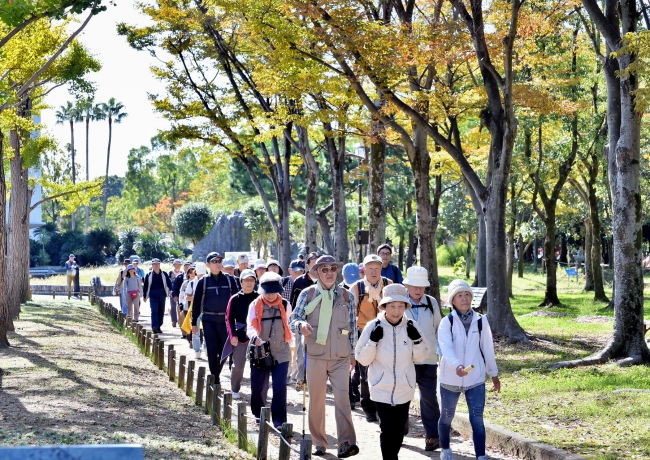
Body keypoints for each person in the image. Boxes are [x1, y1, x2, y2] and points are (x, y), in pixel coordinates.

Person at [289, 255, 359, 458]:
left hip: (341, 357)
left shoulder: (347, 296)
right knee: (316, 401)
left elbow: (352, 328)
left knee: (343, 400)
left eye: (332, 269)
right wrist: (300, 325)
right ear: (317, 273)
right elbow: (294, 318)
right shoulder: (307, 294)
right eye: (324, 269)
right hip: (315, 356)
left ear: (337, 272)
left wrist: (353, 354)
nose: (329, 273)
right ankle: (320, 442)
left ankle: (346, 443)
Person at [356, 283, 427, 460]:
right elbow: (362, 358)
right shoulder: (373, 326)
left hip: (405, 387)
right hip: (381, 387)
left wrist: (417, 340)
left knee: (399, 430)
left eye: (400, 306)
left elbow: (421, 358)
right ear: (384, 306)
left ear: (405, 306)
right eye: (392, 306)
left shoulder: (412, 325)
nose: (396, 311)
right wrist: (372, 341)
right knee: (387, 428)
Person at [437, 279, 500, 460]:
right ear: (453, 301)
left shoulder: (481, 321)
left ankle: (480, 455)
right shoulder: (446, 322)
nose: (464, 299)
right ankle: (445, 449)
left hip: (475, 378)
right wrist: (456, 365)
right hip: (450, 377)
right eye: (459, 296)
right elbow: (446, 348)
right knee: (447, 416)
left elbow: (488, 349)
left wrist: (493, 374)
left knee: (477, 419)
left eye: (467, 295)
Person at [403, 266, 444, 451]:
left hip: (427, 359)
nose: (418, 290)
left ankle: (433, 436)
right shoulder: (399, 302)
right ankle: (398, 430)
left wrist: (441, 353)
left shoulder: (431, 302)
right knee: (402, 398)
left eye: (421, 286)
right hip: (405, 359)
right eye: (414, 286)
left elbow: (438, 328)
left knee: (429, 398)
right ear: (407, 285)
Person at [246, 272, 292, 429]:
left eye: (274, 292)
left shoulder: (285, 305)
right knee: (258, 386)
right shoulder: (254, 305)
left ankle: (279, 420)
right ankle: (259, 415)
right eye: (268, 292)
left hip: (282, 351)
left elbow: (290, 325)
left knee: (280, 386)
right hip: (260, 351)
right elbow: (250, 326)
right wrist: (255, 337)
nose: (271, 295)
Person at [349, 254, 392, 421]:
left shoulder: (389, 285)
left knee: (384, 370)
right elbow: (350, 315)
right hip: (363, 333)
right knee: (364, 373)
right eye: (370, 268)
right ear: (364, 270)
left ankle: (384, 406)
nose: (374, 272)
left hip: (385, 332)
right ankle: (368, 408)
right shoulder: (356, 288)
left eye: (377, 268)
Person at [191, 252, 238, 381]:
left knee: (225, 350)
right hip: (209, 320)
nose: (218, 264)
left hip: (225, 321)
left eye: (219, 261)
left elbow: (236, 301)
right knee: (212, 350)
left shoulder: (230, 279)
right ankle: (215, 378)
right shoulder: (203, 281)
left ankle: (215, 372)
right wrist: (194, 322)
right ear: (208, 264)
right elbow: (196, 304)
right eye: (214, 261)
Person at [224, 269, 258, 398]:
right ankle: (235, 389)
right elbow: (229, 318)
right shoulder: (235, 299)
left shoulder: (259, 298)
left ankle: (257, 390)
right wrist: (232, 335)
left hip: (256, 335)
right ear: (241, 282)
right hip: (240, 335)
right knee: (238, 365)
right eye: (246, 280)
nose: (249, 283)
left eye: (252, 280)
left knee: (258, 365)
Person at [142, 258, 173, 334]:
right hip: (153, 294)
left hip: (162, 294)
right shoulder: (148, 275)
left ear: (159, 265)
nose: (156, 265)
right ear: (152, 265)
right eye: (154, 264)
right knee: (154, 311)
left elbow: (169, 283)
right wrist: (144, 296)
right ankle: (155, 327)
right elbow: (145, 286)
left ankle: (158, 326)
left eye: (157, 264)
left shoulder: (164, 274)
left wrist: (172, 290)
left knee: (161, 311)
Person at [185, 262, 207, 352]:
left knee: (207, 330)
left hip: (207, 309)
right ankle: (197, 350)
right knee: (195, 330)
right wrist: (196, 298)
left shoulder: (209, 281)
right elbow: (187, 297)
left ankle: (206, 348)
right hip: (195, 309)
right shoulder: (191, 283)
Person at [178, 265, 196, 341]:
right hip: (187, 306)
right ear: (188, 274)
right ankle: (190, 339)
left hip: (196, 306)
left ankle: (195, 339)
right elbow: (181, 294)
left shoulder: (200, 282)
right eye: (190, 272)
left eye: (194, 272)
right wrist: (181, 303)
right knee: (188, 323)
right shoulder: (185, 283)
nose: (192, 274)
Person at [168, 259, 184, 327]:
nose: (177, 266)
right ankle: (174, 321)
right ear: (174, 265)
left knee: (180, 307)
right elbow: (168, 283)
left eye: (179, 264)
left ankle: (180, 321)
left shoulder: (183, 273)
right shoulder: (170, 273)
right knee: (173, 306)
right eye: (176, 264)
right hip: (172, 292)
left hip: (180, 292)